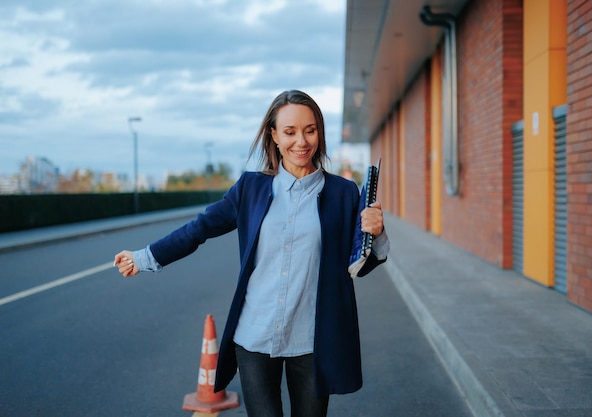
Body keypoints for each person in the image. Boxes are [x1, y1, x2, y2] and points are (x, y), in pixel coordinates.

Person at [113, 90, 390, 417]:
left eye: (310, 130)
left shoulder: (343, 193)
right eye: (289, 132)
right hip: (255, 337)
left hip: (313, 340)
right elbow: (200, 228)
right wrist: (144, 257)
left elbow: (359, 262)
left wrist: (377, 232)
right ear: (273, 135)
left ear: (320, 133)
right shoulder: (250, 189)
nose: (301, 141)